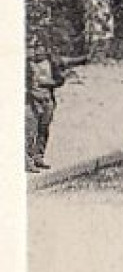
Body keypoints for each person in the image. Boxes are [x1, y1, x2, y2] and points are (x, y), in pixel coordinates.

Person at [25, 38, 66, 172]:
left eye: (40, 47)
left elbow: (60, 80)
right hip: (31, 102)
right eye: (34, 47)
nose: (37, 51)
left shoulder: (52, 63)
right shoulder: (27, 64)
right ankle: (28, 161)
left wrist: (50, 83)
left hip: (47, 100)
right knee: (30, 131)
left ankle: (39, 156)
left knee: (43, 130)